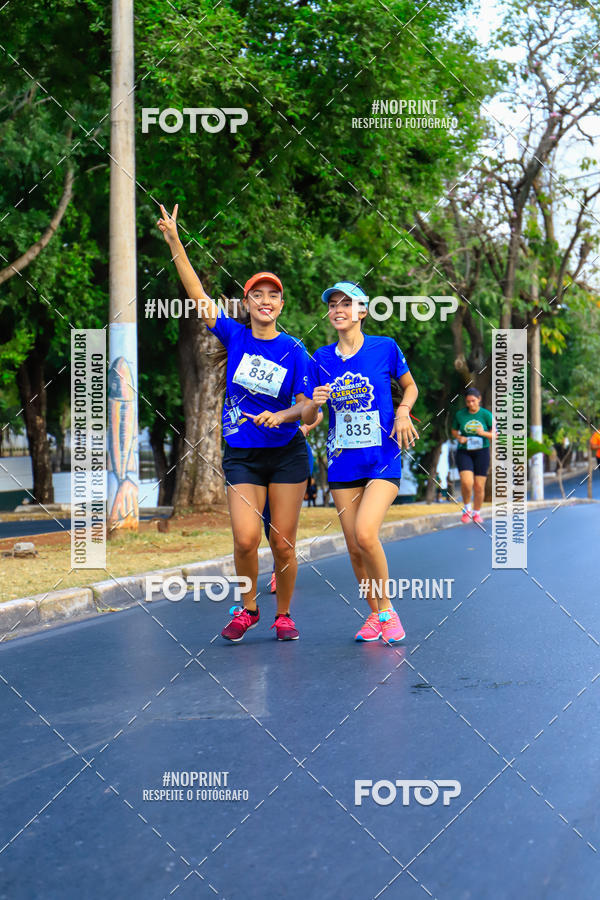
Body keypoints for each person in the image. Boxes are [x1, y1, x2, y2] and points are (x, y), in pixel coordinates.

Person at [157, 204, 310, 641]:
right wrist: (175, 241)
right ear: (247, 303)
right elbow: (196, 293)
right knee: (245, 539)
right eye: (257, 295)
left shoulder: (295, 350)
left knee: (282, 543)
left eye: (273, 295)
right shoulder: (234, 334)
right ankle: (249, 609)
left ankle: (284, 614)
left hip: (286, 455)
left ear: (281, 305)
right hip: (242, 454)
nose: (265, 301)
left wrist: (285, 414)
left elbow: (306, 408)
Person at [302, 282, 419, 645]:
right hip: (342, 462)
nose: (338, 309)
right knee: (353, 546)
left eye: (346, 303)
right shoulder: (320, 358)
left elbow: (411, 387)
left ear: (363, 311)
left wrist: (403, 412)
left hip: (382, 457)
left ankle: (387, 611)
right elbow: (310, 413)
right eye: (333, 304)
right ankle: (373, 613)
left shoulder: (385, 347)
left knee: (366, 533)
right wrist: (313, 406)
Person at [451, 387, 495, 525]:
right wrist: (459, 437)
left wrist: (483, 433)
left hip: (482, 452)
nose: (470, 404)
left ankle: (476, 513)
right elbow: (454, 430)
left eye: (473, 401)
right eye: (468, 401)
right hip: (464, 451)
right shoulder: (460, 414)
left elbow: (495, 435)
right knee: (466, 482)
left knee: (479, 486)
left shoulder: (486, 415)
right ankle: (467, 510)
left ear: (479, 399)